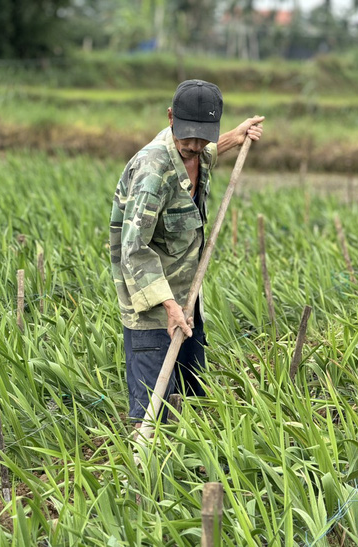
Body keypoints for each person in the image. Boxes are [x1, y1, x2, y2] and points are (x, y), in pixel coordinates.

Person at [109, 79, 264, 424]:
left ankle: (192, 470)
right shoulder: (153, 172)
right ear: (169, 119)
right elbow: (133, 250)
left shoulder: (198, 154)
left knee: (193, 396)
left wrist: (236, 137)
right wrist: (168, 307)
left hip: (187, 299)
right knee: (154, 411)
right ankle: (145, 468)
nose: (194, 148)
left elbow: (205, 153)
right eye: (186, 141)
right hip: (153, 309)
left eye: (202, 140)